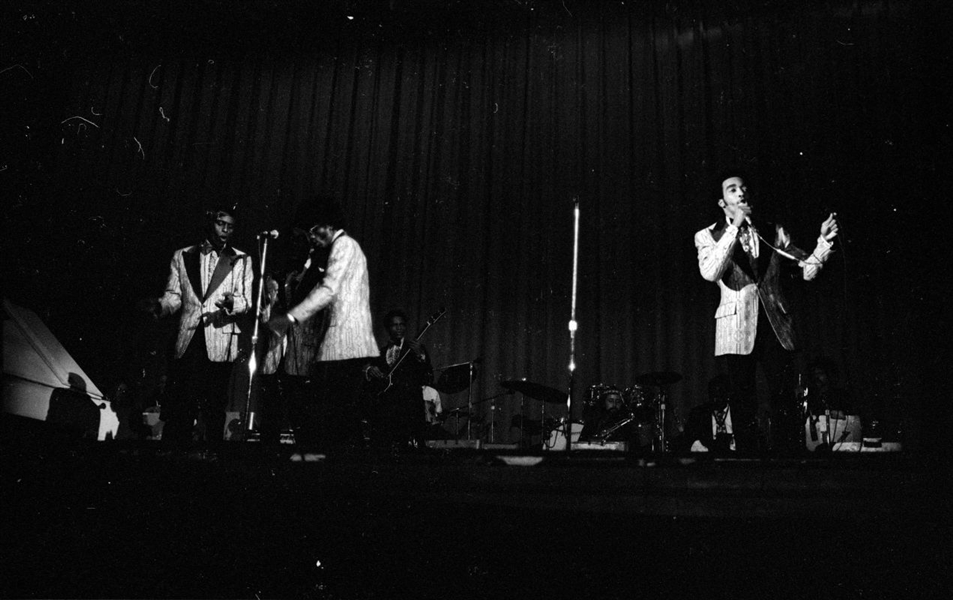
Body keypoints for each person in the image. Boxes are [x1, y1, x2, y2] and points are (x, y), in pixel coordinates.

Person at [694, 170, 839, 454]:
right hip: (735, 324)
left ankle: (786, 459)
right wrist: (734, 227)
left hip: (774, 323)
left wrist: (823, 243)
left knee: (782, 394)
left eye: (743, 187)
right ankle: (746, 461)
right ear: (723, 202)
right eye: (732, 189)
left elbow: (807, 270)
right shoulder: (707, 235)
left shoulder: (774, 230)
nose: (740, 192)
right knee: (742, 396)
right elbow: (711, 272)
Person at [266, 198, 378, 451]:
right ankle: (338, 465)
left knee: (341, 409)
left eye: (314, 232)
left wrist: (290, 316)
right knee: (338, 410)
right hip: (340, 341)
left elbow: (328, 289)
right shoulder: (337, 248)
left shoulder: (345, 245)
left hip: (347, 341)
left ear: (328, 226)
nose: (311, 239)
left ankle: (350, 466)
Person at [141, 204, 254, 447]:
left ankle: (212, 452)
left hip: (220, 337)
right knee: (182, 399)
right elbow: (174, 295)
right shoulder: (183, 255)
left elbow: (246, 301)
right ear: (210, 222)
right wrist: (161, 307)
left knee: (215, 403)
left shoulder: (242, 259)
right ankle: (175, 451)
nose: (225, 230)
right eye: (220, 224)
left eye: (230, 227)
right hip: (190, 337)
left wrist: (232, 302)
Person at [363, 309, 434, 450]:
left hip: (409, 406)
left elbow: (427, 375)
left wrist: (420, 355)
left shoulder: (414, 349)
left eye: (402, 324)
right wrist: (370, 370)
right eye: (394, 325)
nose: (399, 328)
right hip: (387, 408)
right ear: (388, 328)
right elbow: (368, 370)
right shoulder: (381, 352)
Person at [680, 375, 736, 455]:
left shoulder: (739, 414)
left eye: (719, 395)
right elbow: (687, 440)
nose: (715, 400)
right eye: (712, 395)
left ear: (727, 395)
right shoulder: (698, 414)